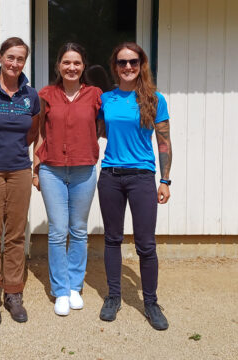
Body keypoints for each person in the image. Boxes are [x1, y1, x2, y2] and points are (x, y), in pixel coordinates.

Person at [97, 42, 172, 331]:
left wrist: (164, 180)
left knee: (146, 244)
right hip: (111, 176)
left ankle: (151, 302)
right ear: (114, 66)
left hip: (142, 177)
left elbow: (164, 143)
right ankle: (113, 296)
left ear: (141, 65)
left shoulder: (155, 100)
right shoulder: (106, 99)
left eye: (133, 62)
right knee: (112, 238)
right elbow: (98, 132)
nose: (128, 67)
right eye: (122, 62)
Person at [0, 37, 40, 326]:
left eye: (20, 59)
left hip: (19, 171)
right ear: (0, 57)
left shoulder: (31, 95)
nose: (15, 63)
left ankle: (13, 292)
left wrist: (28, 162)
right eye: (10, 57)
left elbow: (33, 132)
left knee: (15, 234)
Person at [33, 43, 102, 316]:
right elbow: (39, 133)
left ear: (83, 66)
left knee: (79, 230)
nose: (71, 67)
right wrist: (35, 168)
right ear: (58, 66)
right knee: (58, 231)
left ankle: (75, 286)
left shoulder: (96, 95)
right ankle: (60, 290)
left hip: (84, 170)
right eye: (66, 62)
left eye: (76, 63)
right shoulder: (46, 95)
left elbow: (101, 127)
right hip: (52, 170)